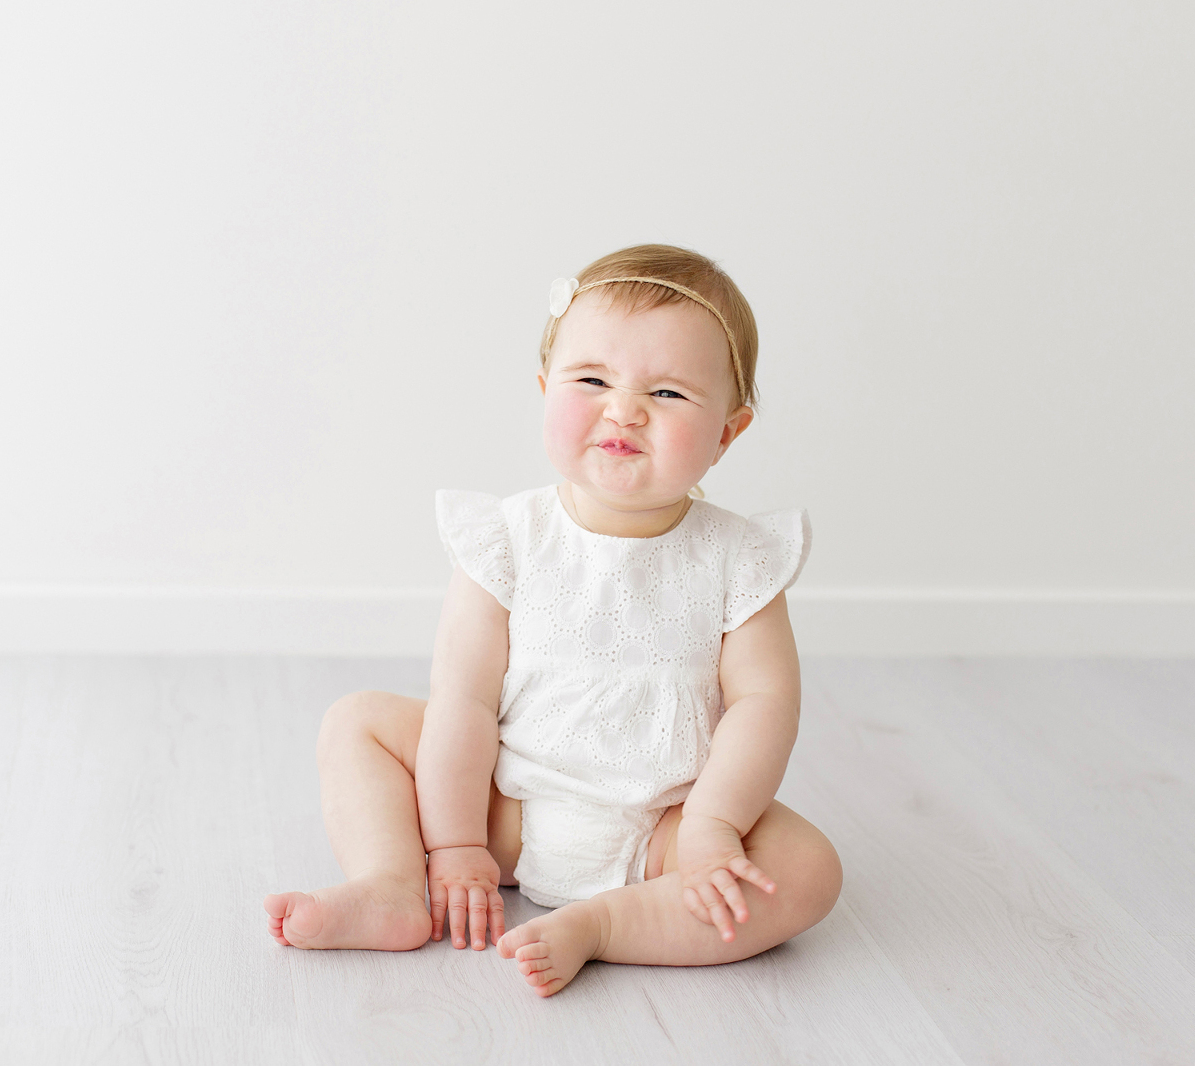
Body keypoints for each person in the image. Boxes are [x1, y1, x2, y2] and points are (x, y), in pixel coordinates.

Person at [263, 243, 842, 997]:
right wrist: (457, 843)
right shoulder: (506, 540)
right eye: (592, 379)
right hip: (511, 807)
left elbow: (766, 706)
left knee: (808, 871)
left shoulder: (741, 561)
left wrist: (714, 826)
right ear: (544, 388)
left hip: (665, 828)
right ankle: (395, 884)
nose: (624, 409)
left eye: (667, 394)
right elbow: (463, 703)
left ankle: (607, 926)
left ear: (728, 432)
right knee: (359, 722)